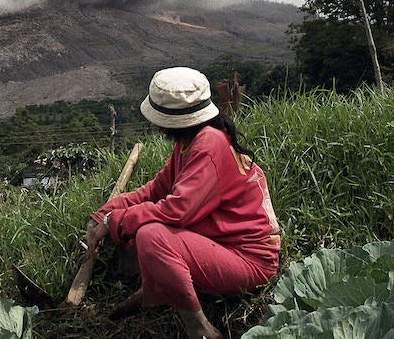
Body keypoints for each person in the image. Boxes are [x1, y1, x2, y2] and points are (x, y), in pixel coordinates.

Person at [85, 67, 281, 339]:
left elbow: (177, 211)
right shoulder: (192, 141)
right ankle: (159, 285)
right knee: (138, 233)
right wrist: (106, 212)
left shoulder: (208, 147)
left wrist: (116, 221)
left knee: (151, 236)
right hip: (221, 244)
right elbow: (156, 189)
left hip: (248, 259)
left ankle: (200, 329)